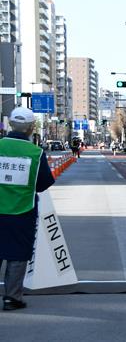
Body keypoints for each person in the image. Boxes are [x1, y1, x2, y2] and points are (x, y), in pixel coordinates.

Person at [0, 108, 55, 310]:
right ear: (31, 128)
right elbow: (43, 183)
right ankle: (12, 298)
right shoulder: (35, 153)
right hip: (21, 211)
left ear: (10, 125)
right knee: (17, 254)